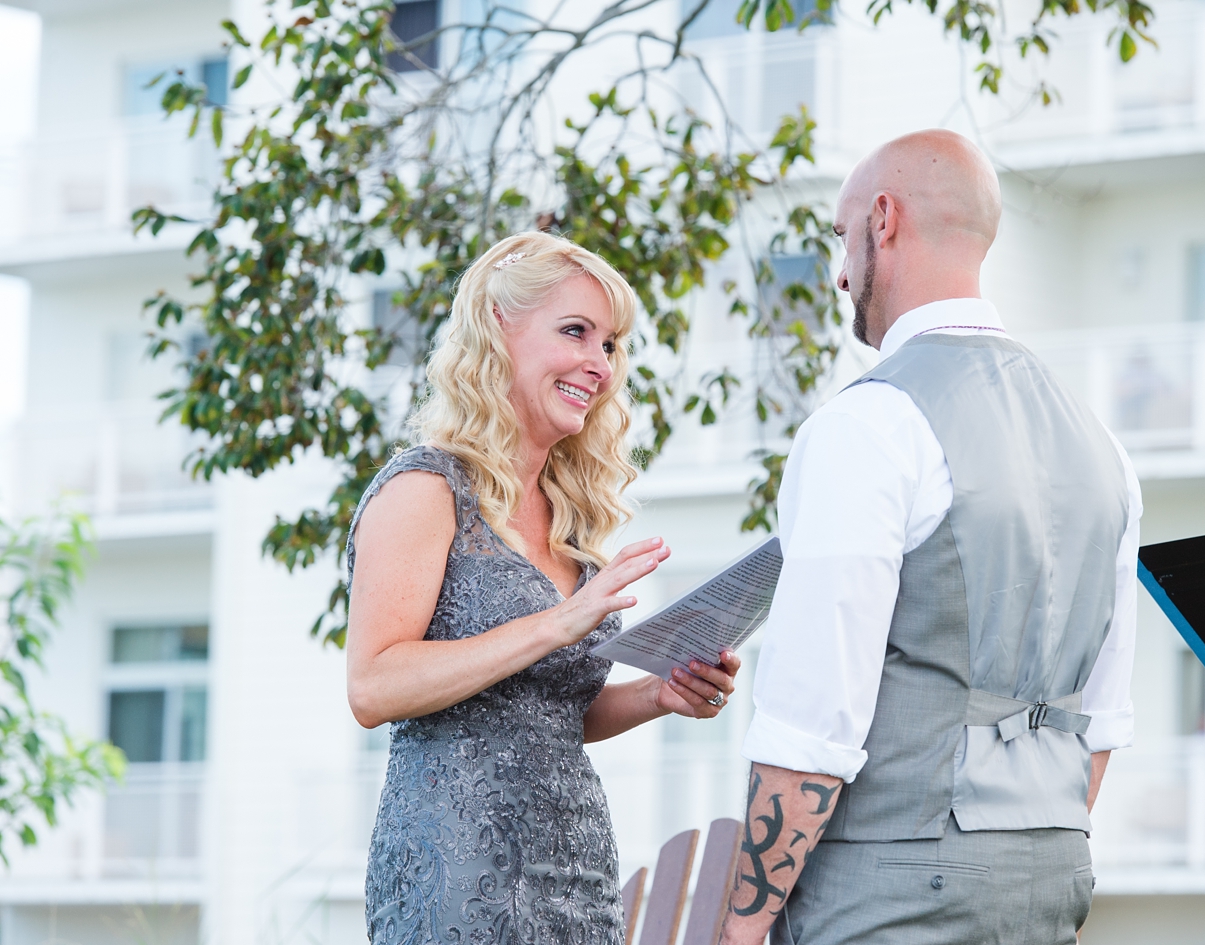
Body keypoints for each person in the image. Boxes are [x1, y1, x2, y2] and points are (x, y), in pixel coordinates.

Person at [717, 130, 1143, 945]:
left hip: (888, 896)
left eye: (841, 238)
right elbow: (1100, 721)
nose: (841, 273)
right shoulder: (1104, 448)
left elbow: (811, 727)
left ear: (883, 220)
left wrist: (738, 929)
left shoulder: (867, 424)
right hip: (1049, 882)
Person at [345, 232, 741, 945]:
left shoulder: (568, 516)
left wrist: (662, 693)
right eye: (576, 332)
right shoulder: (425, 488)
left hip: (577, 870)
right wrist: (559, 622)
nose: (599, 363)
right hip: (456, 872)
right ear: (500, 326)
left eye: (611, 344)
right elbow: (373, 686)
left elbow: (552, 711)